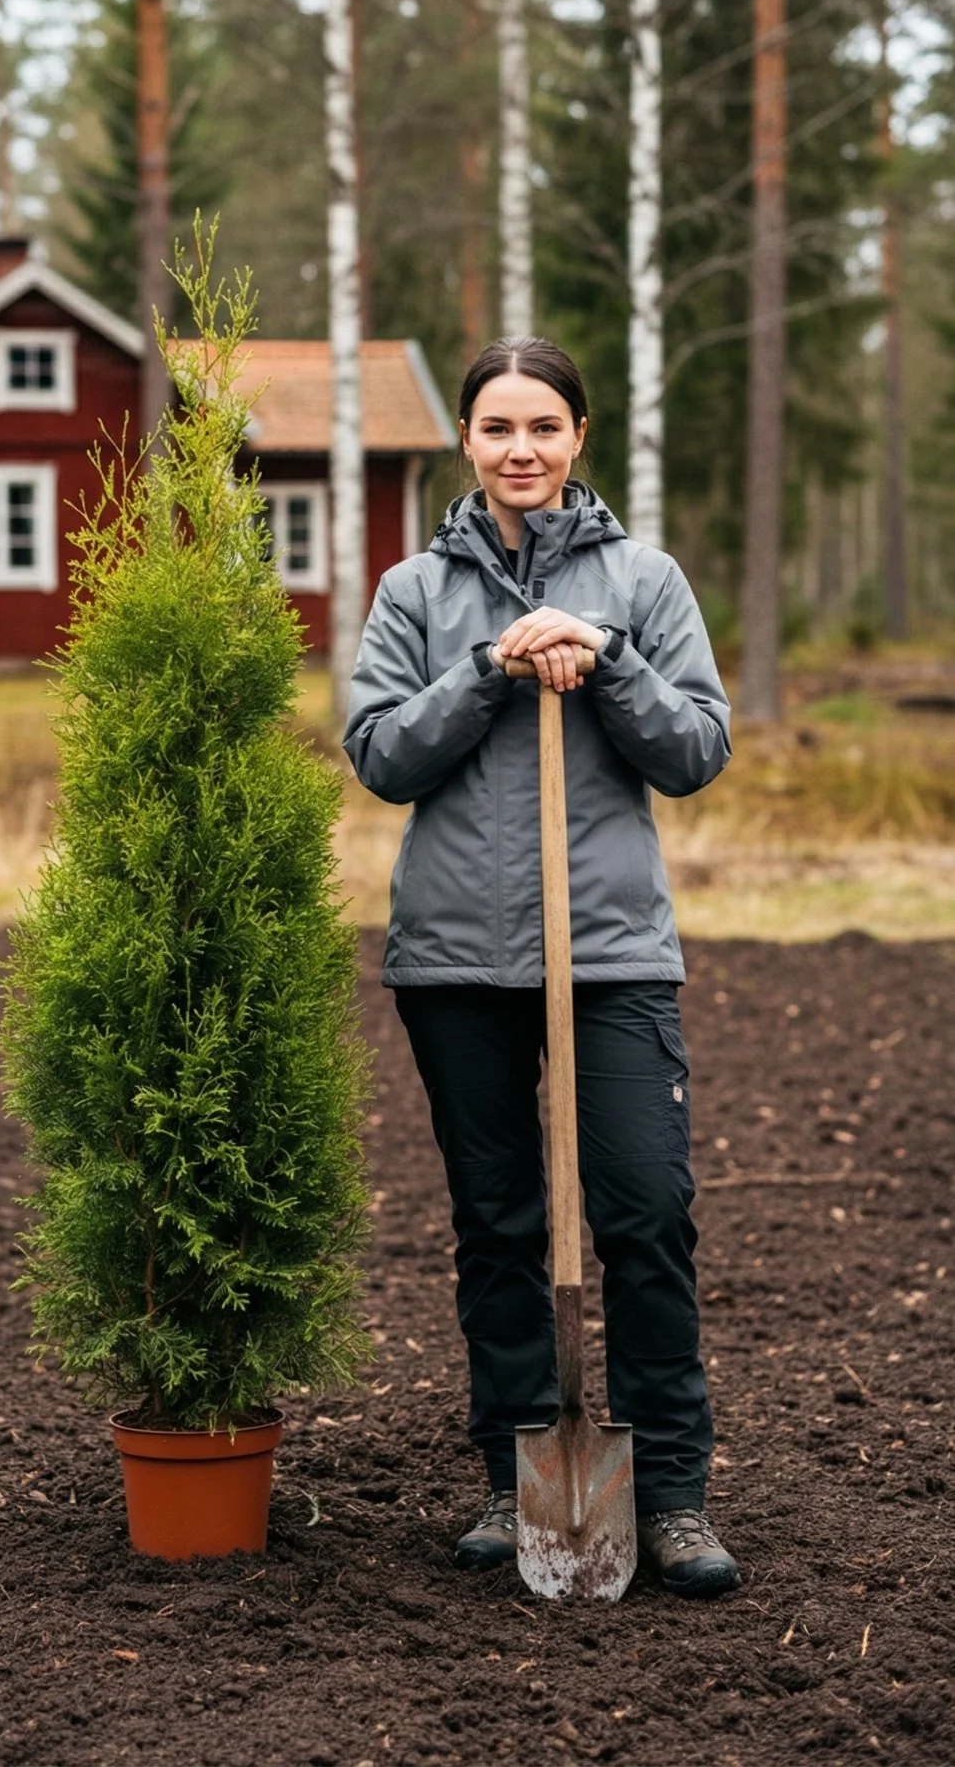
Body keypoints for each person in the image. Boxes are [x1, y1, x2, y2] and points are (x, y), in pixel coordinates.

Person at [342, 336, 741, 1599]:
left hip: (614, 954)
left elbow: (695, 749)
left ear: (580, 438)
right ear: (465, 438)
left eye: (546, 426)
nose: (522, 448)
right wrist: (489, 663)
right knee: (500, 1225)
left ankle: (670, 1493)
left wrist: (606, 658)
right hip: (457, 959)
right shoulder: (413, 589)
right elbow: (380, 754)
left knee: (646, 1214)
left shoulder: (647, 579)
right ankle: (516, 1474)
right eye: (498, 426)